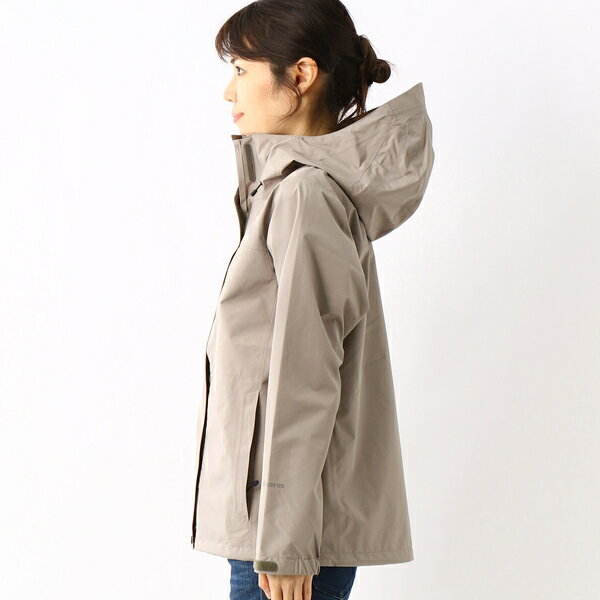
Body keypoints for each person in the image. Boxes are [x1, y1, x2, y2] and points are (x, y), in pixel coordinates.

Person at [190, 1, 435, 599]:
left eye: (242, 69)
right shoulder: (290, 192)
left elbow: (305, 378)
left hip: (285, 539)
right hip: (275, 528)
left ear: (299, 75)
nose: (229, 90)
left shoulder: (306, 196)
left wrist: (286, 541)